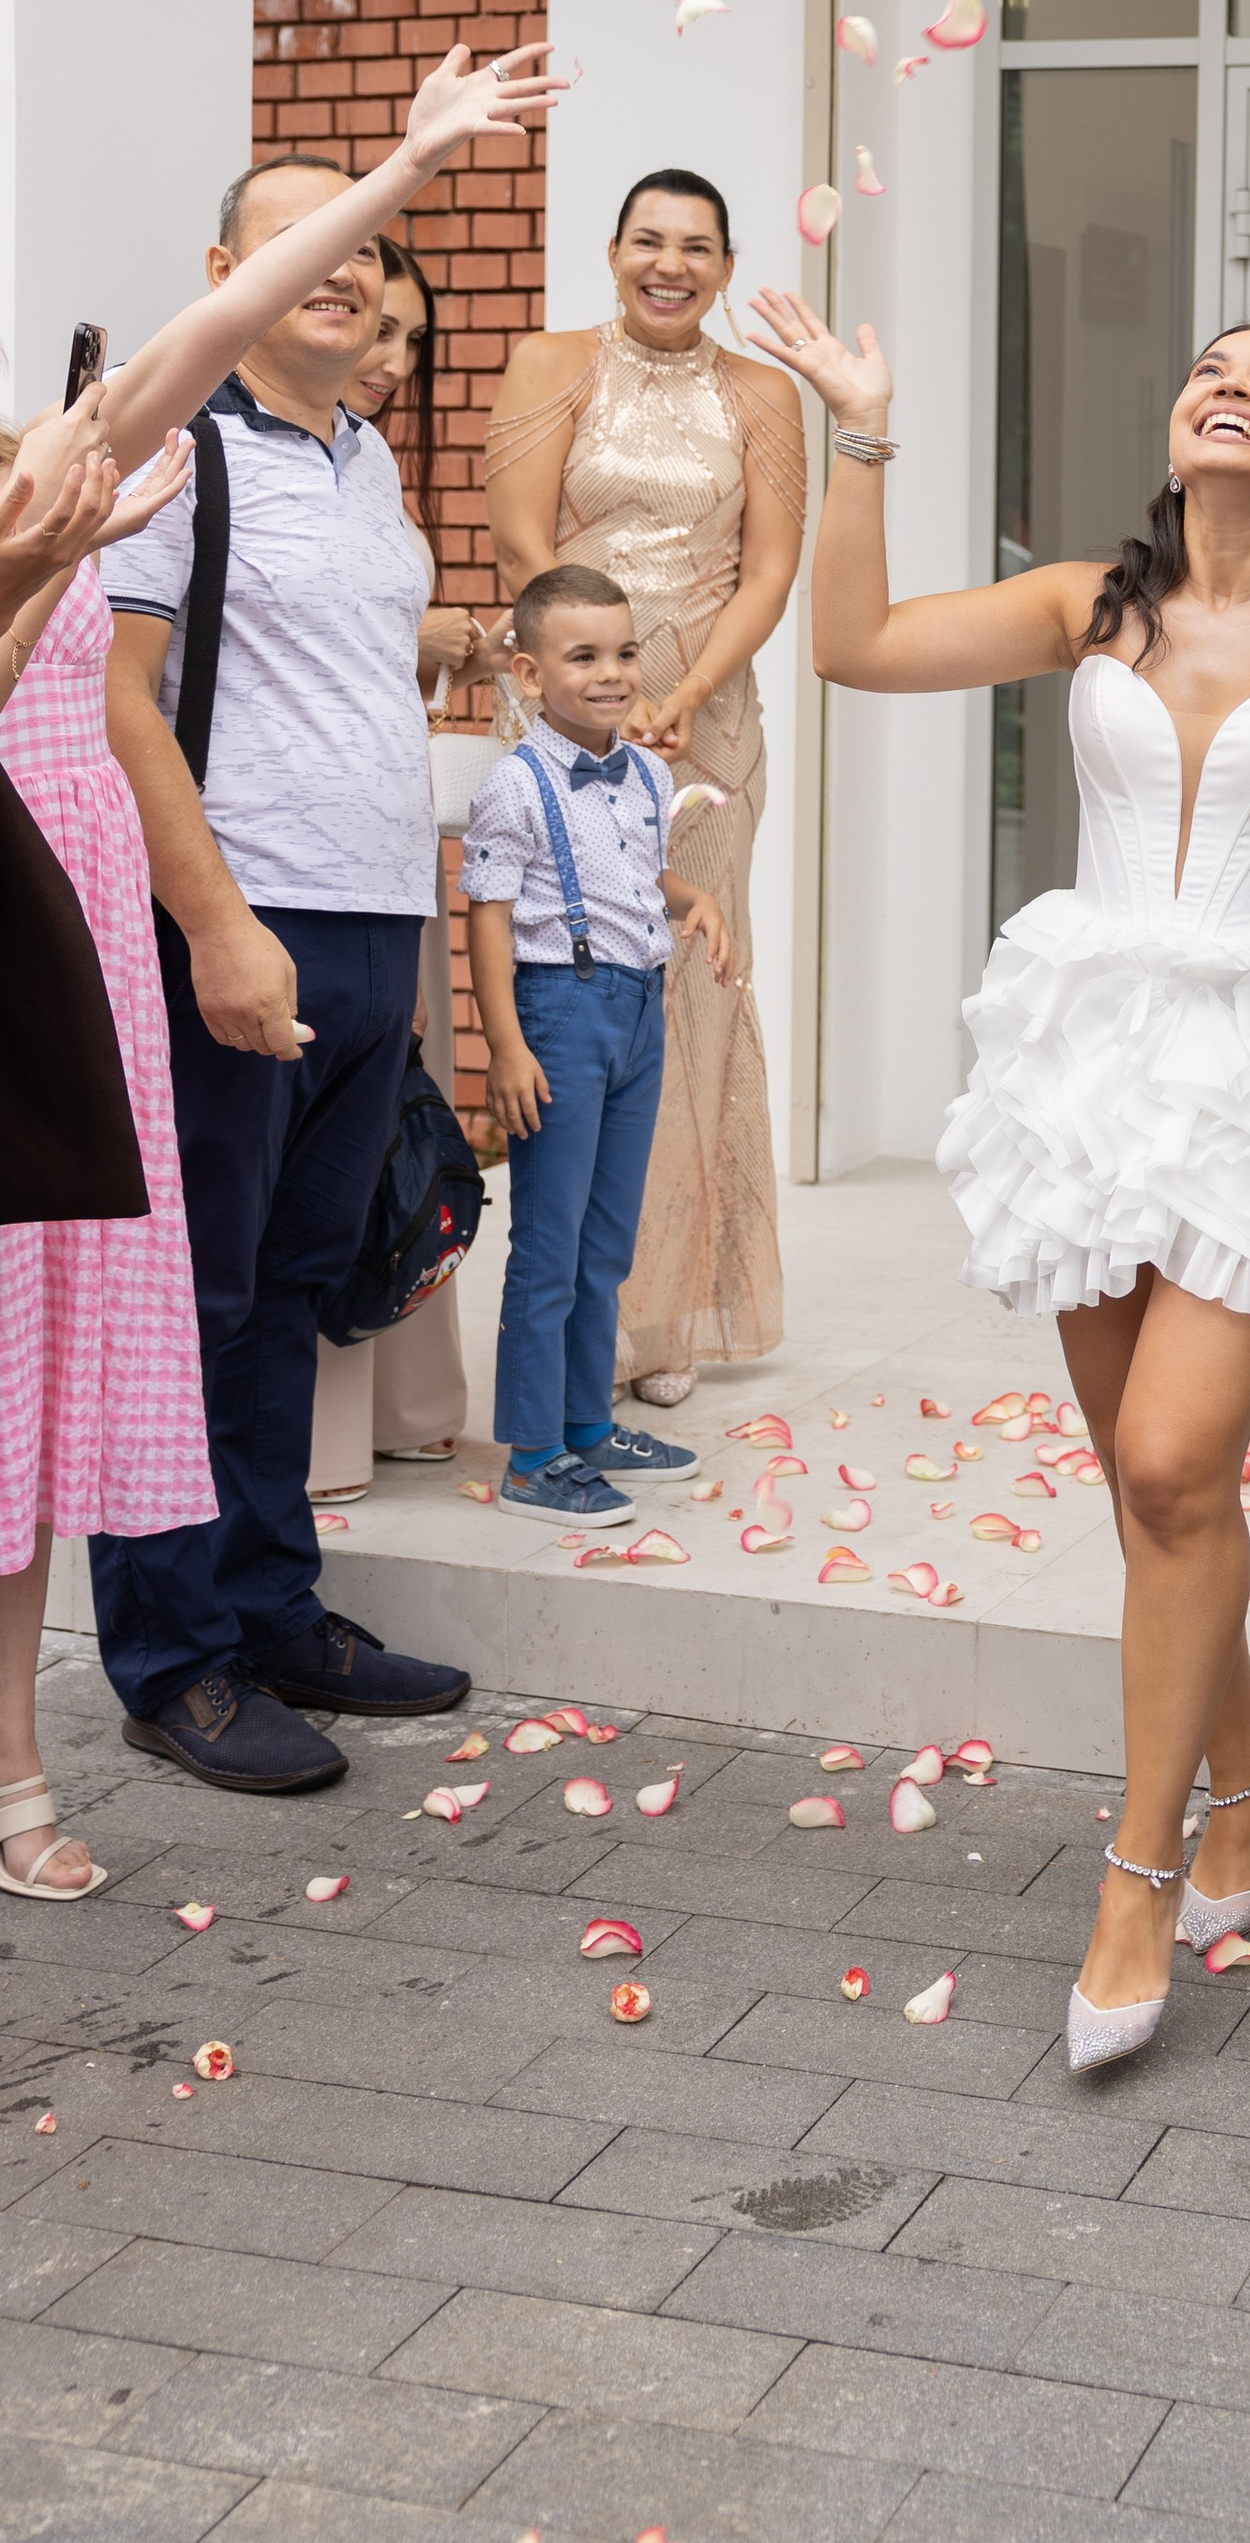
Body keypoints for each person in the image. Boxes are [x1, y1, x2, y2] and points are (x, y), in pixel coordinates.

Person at [748, 284, 1250, 2074]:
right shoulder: (1094, 603)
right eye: (1205, 368)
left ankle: (1138, 1880)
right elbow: (850, 644)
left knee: (1169, 1458)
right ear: (1177, 432)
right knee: (1150, 1489)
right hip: (1090, 1056)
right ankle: (1241, 1789)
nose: (1227, 386)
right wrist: (865, 431)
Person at [93, 41, 573, 1795]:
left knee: (303, 1290)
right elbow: (118, 707)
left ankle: (276, 1607)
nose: (348, 270)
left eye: (364, 249)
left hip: (374, 919)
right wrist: (215, 924)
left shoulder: (362, 459)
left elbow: (337, 661)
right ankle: (170, 1655)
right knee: (196, 1298)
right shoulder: (174, 458)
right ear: (231, 283)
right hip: (239, 916)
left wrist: (453, 648)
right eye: (309, 244)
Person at [486, 171, 805, 1408]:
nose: (671, 265)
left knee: (685, 988)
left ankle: (665, 1308)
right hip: (572, 713)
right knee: (580, 983)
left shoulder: (761, 394)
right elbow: (523, 539)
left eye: (698, 248)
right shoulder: (550, 363)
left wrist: (682, 696)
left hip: (708, 723)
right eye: (648, 242)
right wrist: (602, 688)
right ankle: (577, 1311)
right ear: (612, 251)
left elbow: (769, 573)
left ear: (726, 267)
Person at [460, 566, 731, 1530]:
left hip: (637, 1015)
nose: (612, 674)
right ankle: (533, 1455)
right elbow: (487, 917)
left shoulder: (649, 773)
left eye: (624, 653)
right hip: (557, 1018)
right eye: (584, 657)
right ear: (531, 675)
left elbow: (640, 876)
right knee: (549, 1247)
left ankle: (584, 1423)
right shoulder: (514, 785)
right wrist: (504, 1045)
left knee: (605, 1243)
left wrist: (694, 901)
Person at [0, 406, 172, 1900]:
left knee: (25, 1392)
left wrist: (423, 159)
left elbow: (188, 358)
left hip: (67, 952)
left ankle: (13, 1771)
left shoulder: (46, 478)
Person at [310, 233, 491, 1484]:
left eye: (412, 340)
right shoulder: (222, 449)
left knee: (398, 1131)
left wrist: (440, 644)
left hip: (388, 839)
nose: (394, 361)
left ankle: (405, 1404)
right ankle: (320, 1443)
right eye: (381, 331)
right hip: (291, 861)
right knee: (310, 1167)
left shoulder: (369, 462)